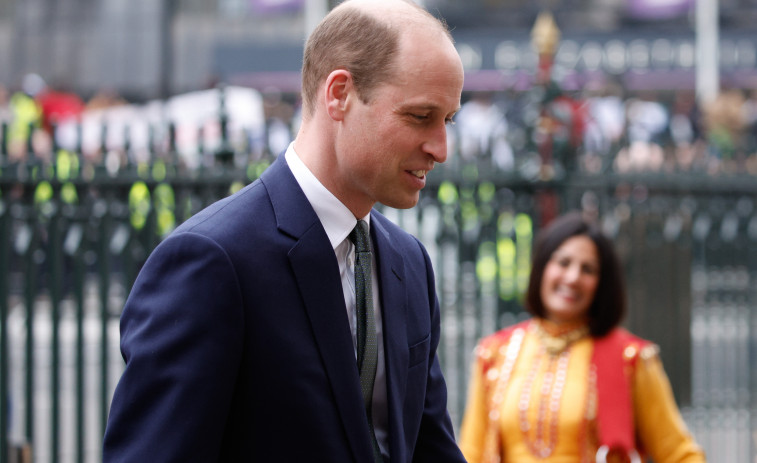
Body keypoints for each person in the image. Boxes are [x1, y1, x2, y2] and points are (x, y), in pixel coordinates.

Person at [102, 1, 466, 462]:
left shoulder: (409, 262)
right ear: (339, 94)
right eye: (420, 116)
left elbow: (429, 448)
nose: (441, 148)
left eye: (448, 120)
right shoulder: (212, 261)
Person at [459, 212, 706, 463]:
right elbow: (470, 453)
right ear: (542, 266)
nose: (573, 277)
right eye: (563, 263)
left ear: (601, 284)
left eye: (587, 269)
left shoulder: (630, 358)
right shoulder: (495, 353)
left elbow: (680, 454)